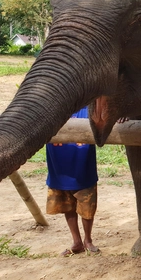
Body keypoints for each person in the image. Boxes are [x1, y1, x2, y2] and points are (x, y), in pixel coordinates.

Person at [45, 106, 100, 256]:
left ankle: (88, 240)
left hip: (83, 167)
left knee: (87, 208)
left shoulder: (89, 107)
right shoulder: (52, 107)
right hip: (60, 167)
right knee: (67, 206)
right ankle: (77, 241)